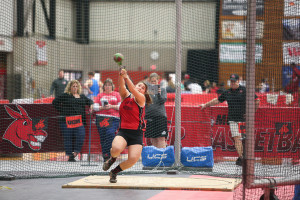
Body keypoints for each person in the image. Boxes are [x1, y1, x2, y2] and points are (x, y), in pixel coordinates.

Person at [102, 68, 152, 183]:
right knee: (115, 149)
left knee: (133, 159)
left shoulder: (141, 99)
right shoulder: (126, 96)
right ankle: (112, 159)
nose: (140, 88)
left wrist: (126, 76)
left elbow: (133, 89)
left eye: (142, 88)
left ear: (144, 92)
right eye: (139, 85)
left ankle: (114, 172)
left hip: (137, 133)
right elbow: (122, 87)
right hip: (124, 131)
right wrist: (121, 76)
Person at [200, 74, 260, 166]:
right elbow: (217, 100)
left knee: (244, 139)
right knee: (237, 138)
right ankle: (241, 158)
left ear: (238, 81)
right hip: (233, 120)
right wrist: (205, 105)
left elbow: (257, 100)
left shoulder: (244, 90)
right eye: (231, 81)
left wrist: (251, 113)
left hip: (243, 120)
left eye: (234, 81)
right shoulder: (227, 92)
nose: (232, 83)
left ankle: (246, 157)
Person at [52, 80, 93, 162]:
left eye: (76, 86)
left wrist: (91, 106)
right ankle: (70, 156)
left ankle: (76, 152)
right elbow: (54, 102)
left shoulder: (82, 96)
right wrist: (62, 110)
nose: (75, 88)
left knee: (81, 136)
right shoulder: (66, 95)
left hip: (79, 121)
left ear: (78, 87)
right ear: (70, 87)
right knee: (68, 138)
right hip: (66, 121)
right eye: (73, 86)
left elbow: (89, 101)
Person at [93, 78, 122, 162]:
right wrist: (102, 107)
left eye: (109, 85)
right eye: (106, 85)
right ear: (104, 86)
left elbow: (120, 107)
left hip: (114, 118)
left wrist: (111, 106)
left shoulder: (117, 94)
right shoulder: (100, 95)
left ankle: (109, 153)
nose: (108, 86)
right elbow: (95, 107)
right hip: (101, 117)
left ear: (112, 86)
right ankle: (105, 155)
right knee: (103, 137)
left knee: (110, 133)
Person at [145, 73, 168, 148]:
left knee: (161, 138)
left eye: (155, 81)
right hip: (150, 115)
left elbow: (162, 101)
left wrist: (158, 93)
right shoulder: (146, 90)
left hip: (160, 116)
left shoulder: (163, 89)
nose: (153, 83)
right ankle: (156, 155)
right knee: (153, 137)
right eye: (152, 81)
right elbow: (144, 102)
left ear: (158, 81)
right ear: (149, 81)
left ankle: (162, 156)